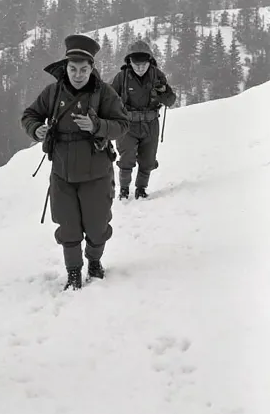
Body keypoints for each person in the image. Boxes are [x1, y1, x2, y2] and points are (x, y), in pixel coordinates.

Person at [21, 34, 129, 289]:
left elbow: (122, 125)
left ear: (92, 68)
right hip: (62, 173)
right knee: (67, 227)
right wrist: (35, 129)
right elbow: (30, 115)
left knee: (97, 226)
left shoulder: (104, 93)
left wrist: (97, 125)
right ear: (66, 68)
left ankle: (93, 261)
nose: (77, 74)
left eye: (83, 69)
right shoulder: (53, 92)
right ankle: (73, 271)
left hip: (97, 172)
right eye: (72, 69)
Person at [110, 40, 177, 200]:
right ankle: (124, 189)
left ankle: (141, 188)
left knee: (148, 160)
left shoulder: (157, 75)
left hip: (151, 124)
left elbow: (170, 100)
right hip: (128, 125)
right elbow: (109, 99)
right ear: (130, 62)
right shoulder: (122, 77)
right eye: (136, 64)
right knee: (126, 159)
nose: (140, 67)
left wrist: (164, 91)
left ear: (149, 61)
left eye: (143, 64)